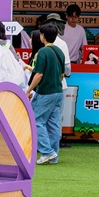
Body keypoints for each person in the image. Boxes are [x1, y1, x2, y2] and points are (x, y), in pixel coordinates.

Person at [28, 21, 67, 165]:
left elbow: (38, 74)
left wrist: (28, 90)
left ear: (42, 36)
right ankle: (53, 155)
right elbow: (62, 74)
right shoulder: (59, 51)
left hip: (46, 92)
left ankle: (47, 152)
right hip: (58, 91)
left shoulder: (43, 52)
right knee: (53, 124)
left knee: (36, 121)